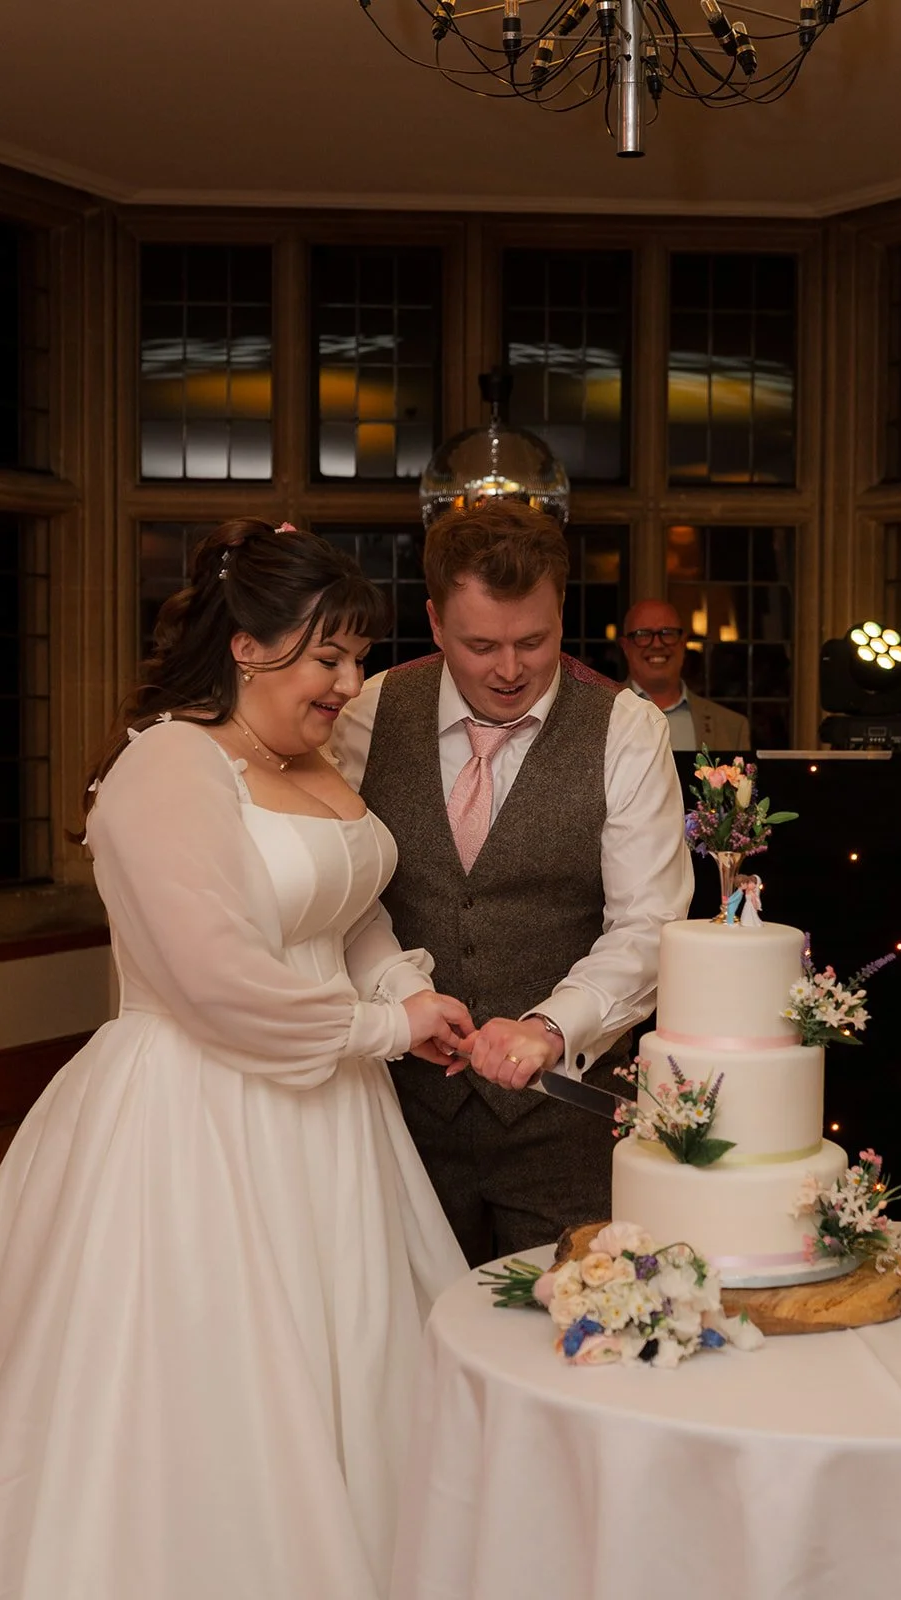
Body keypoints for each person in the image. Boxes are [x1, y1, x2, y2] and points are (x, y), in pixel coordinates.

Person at [0, 519, 473, 1600]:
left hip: (333, 1114)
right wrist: (382, 1031)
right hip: (200, 1115)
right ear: (248, 646)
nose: (349, 682)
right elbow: (217, 981)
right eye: (328, 656)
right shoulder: (166, 766)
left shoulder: (303, 755)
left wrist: (408, 989)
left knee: (350, 1368)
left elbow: (346, 912)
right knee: (222, 1394)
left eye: (355, 656)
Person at [331, 501, 693, 1267]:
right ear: (433, 622)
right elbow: (344, 898)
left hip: (561, 1123)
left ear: (562, 612)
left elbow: (648, 924)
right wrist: (399, 999)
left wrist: (550, 1027)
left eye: (533, 641)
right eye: (479, 644)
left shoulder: (626, 729)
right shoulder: (361, 715)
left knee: (570, 1334)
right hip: (395, 1110)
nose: (508, 669)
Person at [620, 597, 751, 753]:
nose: (657, 644)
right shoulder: (598, 718)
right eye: (643, 634)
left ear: (683, 643)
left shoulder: (731, 727)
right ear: (625, 647)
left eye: (667, 633)